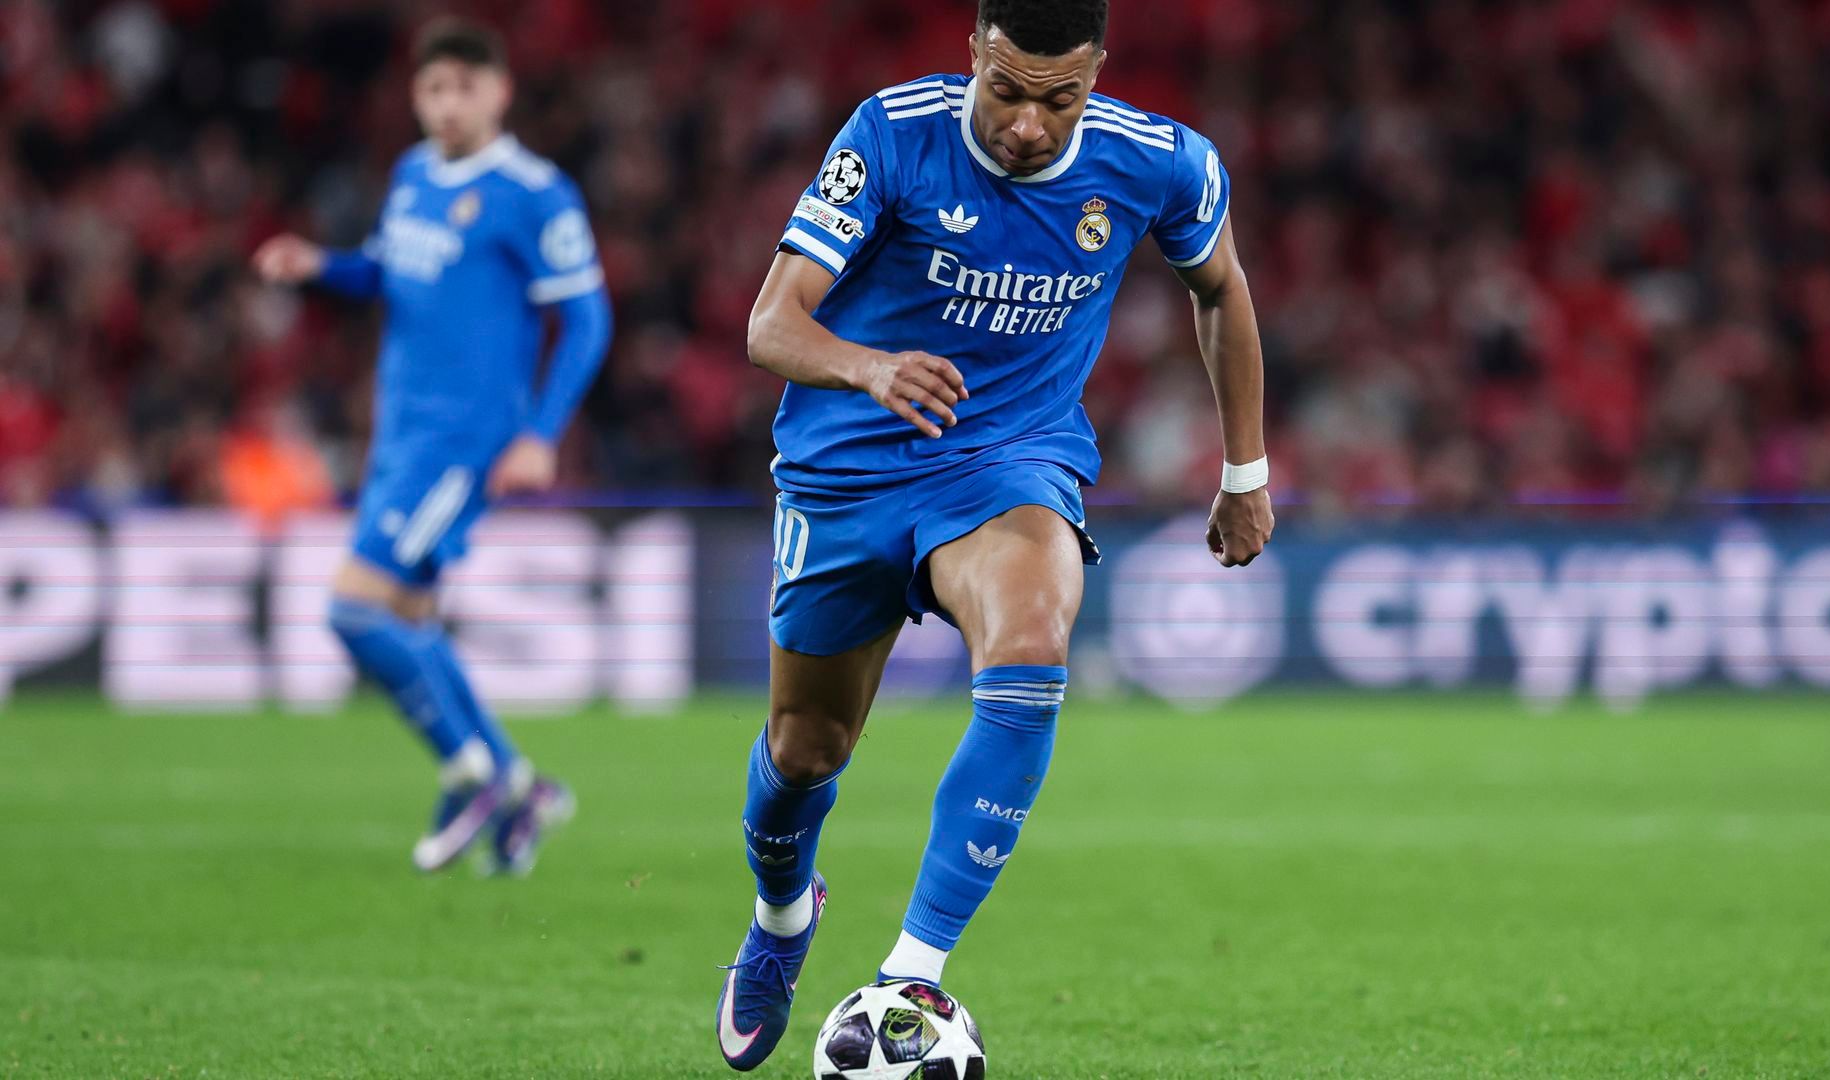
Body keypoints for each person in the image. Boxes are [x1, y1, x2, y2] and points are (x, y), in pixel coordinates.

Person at [714, 0, 1274, 1067]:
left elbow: (1222, 288)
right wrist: (873, 367)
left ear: (1097, 74)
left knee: (1031, 632)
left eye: (1058, 98)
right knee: (805, 750)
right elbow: (770, 323)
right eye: (1007, 89)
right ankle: (784, 916)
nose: (1027, 124)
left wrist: (1243, 469)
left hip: (1008, 464)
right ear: (973, 54)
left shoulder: (1162, 164)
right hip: (848, 470)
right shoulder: (892, 132)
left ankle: (910, 978)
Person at [253, 18, 612, 876]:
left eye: (465, 87)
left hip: (463, 440)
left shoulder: (534, 191)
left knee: (354, 608)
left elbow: (589, 317)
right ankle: (520, 786)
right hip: (399, 434)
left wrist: (539, 434)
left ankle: (471, 769)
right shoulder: (413, 175)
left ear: (500, 91)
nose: (448, 105)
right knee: (410, 617)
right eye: (433, 89)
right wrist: (321, 266)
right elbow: (387, 270)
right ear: (416, 96)